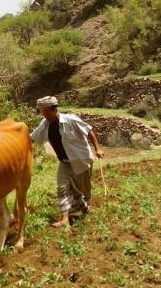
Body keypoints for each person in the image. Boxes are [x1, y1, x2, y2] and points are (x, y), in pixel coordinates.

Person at [30, 96, 105, 227]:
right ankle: (65, 219)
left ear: (54, 109)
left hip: (81, 160)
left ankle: (85, 208)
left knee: (83, 189)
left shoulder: (71, 120)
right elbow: (32, 138)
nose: (44, 116)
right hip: (64, 162)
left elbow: (89, 131)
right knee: (62, 188)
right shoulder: (45, 124)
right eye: (42, 113)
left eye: (46, 112)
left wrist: (97, 148)